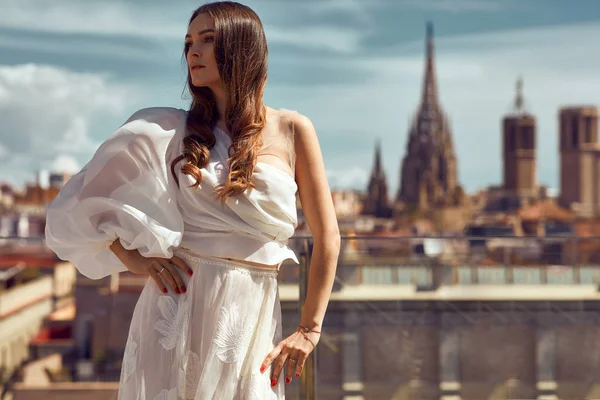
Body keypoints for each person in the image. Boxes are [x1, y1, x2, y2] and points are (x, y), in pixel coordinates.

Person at [44, 1, 340, 398]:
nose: (193, 52)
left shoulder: (293, 129)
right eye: (188, 43)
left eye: (208, 40)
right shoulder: (168, 130)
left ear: (242, 47)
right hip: (172, 311)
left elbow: (329, 238)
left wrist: (310, 328)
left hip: (248, 315)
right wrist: (133, 258)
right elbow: (82, 202)